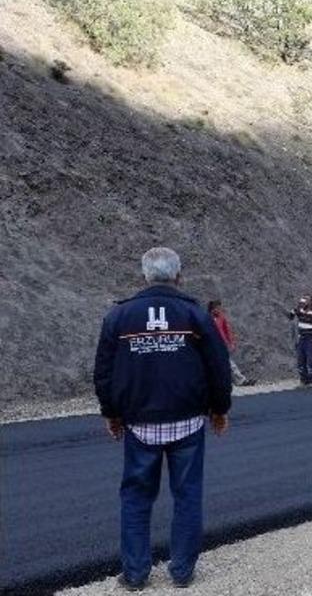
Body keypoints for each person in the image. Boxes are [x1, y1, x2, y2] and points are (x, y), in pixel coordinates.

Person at [93, 247, 232, 591]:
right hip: (188, 422)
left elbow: (103, 373)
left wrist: (111, 413)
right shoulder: (194, 314)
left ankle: (136, 574)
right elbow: (218, 366)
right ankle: (182, 572)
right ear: (178, 275)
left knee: (136, 498)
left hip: (140, 426)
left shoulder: (119, 316)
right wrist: (219, 409)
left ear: (144, 275)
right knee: (187, 495)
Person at [208, 300, 255, 387]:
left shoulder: (221, 317)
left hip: (222, 345)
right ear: (212, 309)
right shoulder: (206, 318)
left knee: (229, 364)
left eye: (219, 307)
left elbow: (227, 331)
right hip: (212, 345)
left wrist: (231, 343)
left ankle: (241, 381)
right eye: (217, 308)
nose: (219, 309)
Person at [287, 294, 312, 385]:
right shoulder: (300, 311)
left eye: (307, 299)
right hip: (302, 338)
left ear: (311, 302)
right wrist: (298, 306)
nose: (305, 301)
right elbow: (290, 315)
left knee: (311, 359)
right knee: (301, 359)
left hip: (311, 338)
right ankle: (304, 379)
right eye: (304, 299)